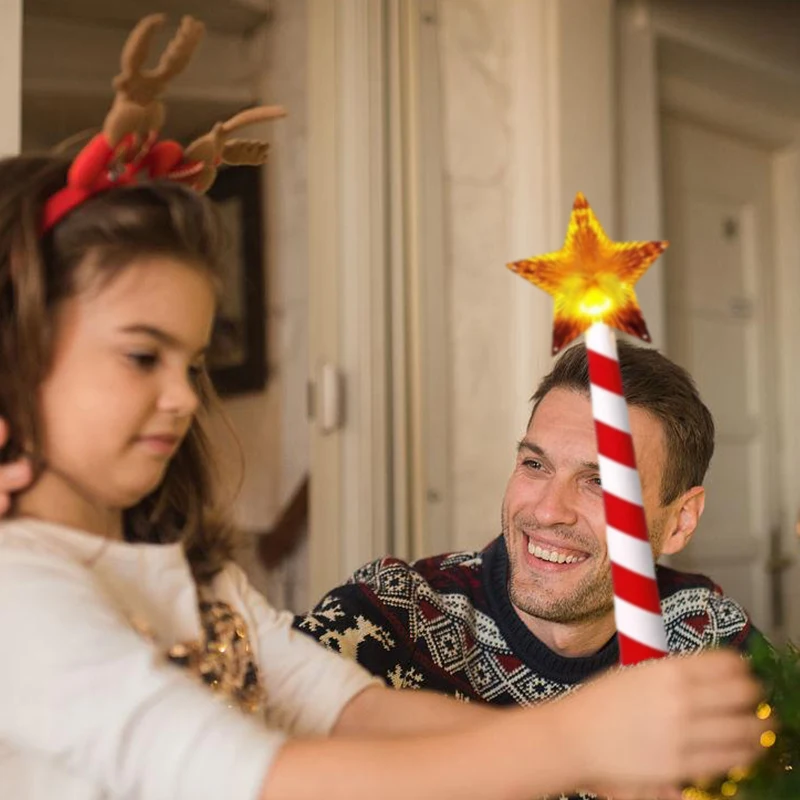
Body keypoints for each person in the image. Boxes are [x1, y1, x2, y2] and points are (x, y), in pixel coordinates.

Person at [0, 148, 772, 800]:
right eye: (143, 357)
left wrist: (603, 758)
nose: (182, 399)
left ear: (681, 516)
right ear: (18, 361)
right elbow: (261, 778)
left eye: (192, 362)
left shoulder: (196, 582)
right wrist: (582, 741)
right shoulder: (18, 594)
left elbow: (347, 707)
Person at [294, 342, 762, 710]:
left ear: (680, 521)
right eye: (535, 465)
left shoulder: (710, 642)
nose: (546, 511)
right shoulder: (389, 622)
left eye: (599, 481)